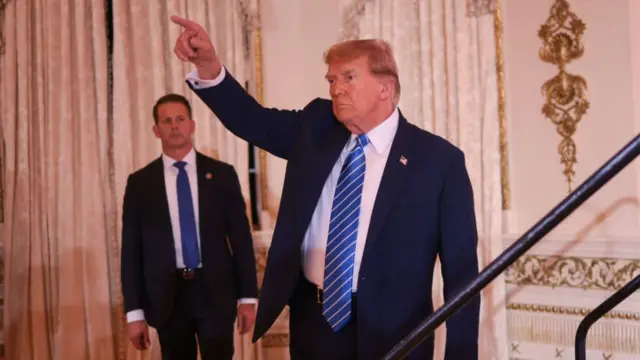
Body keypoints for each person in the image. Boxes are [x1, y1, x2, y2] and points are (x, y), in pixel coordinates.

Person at [170, 15, 481, 360]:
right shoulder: (316, 128)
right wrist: (209, 65)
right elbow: (252, 120)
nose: (335, 88)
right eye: (332, 79)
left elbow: (462, 275)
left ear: (385, 88)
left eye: (349, 77)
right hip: (314, 325)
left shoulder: (438, 161)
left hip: (396, 334)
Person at [120, 93, 259, 360]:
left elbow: (241, 240)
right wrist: (134, 313)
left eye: (181, 119)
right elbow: (131, 253)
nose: (175, 126)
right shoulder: (140, 184)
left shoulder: (222, 175)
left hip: (215, 293)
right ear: (156, 130)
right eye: (167, 121)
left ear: (192, 125)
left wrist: (248, 298)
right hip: (167, 298)